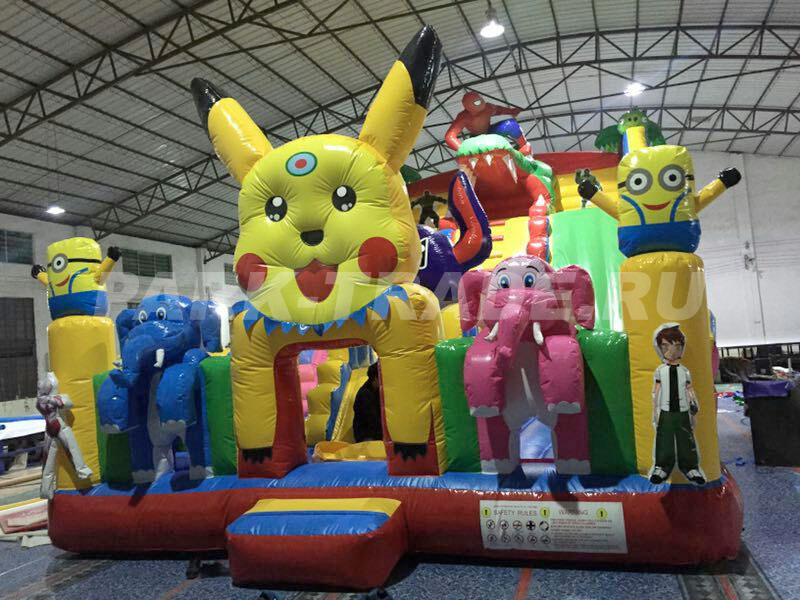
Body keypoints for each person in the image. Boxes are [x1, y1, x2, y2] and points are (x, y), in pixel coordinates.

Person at [649, 324, 706, 485]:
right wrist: (655, 410)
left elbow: (689, 388)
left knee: (686, 438)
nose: (672, 351)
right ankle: (662, 467)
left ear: (681, 348)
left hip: (683, 409)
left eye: (677, 346)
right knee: (664, 438)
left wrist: (693, 402)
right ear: (660, 348)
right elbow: (656, 390)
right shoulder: (660, 371)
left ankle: (690, 467)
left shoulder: (684, 371)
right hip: (665, 409)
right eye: (665, 346)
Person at [37, 372, 93, 499]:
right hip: (53, 430)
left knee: (71, 449)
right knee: (50, 460)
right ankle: (46, 489)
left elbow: (67, 403)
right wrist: (51, 399)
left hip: (57, 427)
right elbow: (62, 404)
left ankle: (82, 471)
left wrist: (53, 399)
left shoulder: (55, 399)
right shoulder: (44, 401)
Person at [445, 91, 530, 154]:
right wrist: (465, 150)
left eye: (480, 100)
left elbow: (499, 110)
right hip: (476, 139)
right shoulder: (464, 117)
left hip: (489, 132)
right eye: (477, 102)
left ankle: (523, 146)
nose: (480, 103)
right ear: (468, 107)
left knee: (511, 124)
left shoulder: (488, 108)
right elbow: (450, 137)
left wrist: (512, 111)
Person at [353, 363, 383, 442]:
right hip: (365, 434)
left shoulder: (376, 389)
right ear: (376, 378)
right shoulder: (365, 395)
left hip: (374, 430)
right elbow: (372, 420)